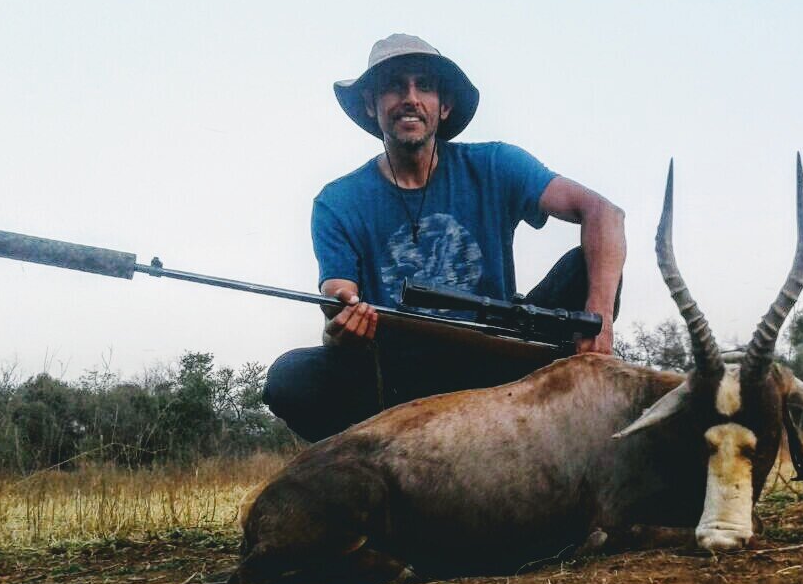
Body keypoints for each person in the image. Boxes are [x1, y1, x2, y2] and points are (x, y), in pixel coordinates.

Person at [264, 34, 626, 442]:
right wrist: (341, 327)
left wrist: (600, 321)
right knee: (288, 380)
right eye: (394, 86)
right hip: (399, 378)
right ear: (371, 105)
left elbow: (605, 214)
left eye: (424, 86)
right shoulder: (337, 201)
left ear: (444, 105)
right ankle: (380, 458)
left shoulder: (495, 164)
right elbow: (338, 298)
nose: (410, 98)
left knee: (584, 268)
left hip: (501, 359)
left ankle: (549, 421)